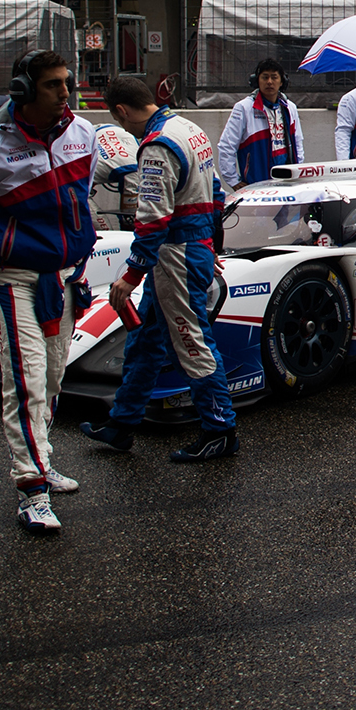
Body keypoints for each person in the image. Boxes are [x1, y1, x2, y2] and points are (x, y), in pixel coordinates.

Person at [0, 50, 98, 533]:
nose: (65, 92)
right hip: (12, 277)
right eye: (53, 84)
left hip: (65, 277)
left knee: (53, 377)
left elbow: (83, 198)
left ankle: (42, 458)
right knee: (27, 380)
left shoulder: (83, 133)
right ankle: (32, 488)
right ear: (23, 89)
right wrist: (12, 248)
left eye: (67, 82)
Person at [81, 76, 239, 461]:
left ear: (121, 111)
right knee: (146, 340)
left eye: (119, 121)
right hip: (189, 249)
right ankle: (122, 423)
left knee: (191, 342)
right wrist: (210, 245)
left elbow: (152, 220)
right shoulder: (189, 128)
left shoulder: (156, 146)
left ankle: (220, 430)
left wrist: (130, 275)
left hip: (176, 255)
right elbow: (217, 193)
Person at [219, 58, 302, 188]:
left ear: (282, 82)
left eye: (274, 77)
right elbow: (226, 146)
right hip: (256, 184)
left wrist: (299, 173)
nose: (269, 82)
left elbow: (298, 143)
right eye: (265, 77)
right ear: (257, 80)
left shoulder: (289, 108)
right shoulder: (244, 108)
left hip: (287, 182)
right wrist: (233, 180)